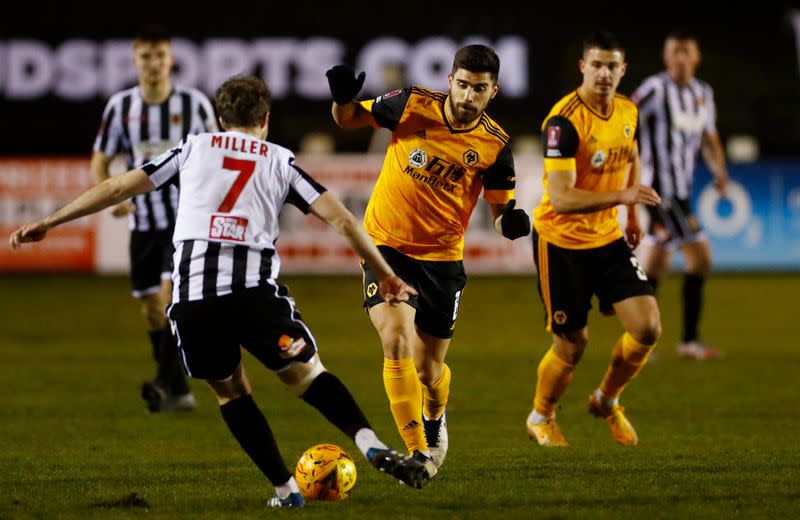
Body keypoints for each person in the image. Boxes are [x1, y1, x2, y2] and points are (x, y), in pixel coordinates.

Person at [10, 74, 431, 508]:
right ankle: (369, 443)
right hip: (253, 295)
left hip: (193, 301)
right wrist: (385, 273)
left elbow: (117, 186)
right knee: (305, 375)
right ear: (266, 119)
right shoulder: (279, 160)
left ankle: (286, 491)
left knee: (231, 391)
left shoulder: (193, 149)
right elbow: (343, 220)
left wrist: (51, 222)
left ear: (218, 118)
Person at [325, 44, 531, 475]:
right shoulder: (411, 105)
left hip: (441, 260)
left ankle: (436, 418)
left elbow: (498, 214)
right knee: (395, 337)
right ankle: (418, 451)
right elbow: (348, 120)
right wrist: (342, 98)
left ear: (493, 91)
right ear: (450, 79)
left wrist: (509, 222)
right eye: (462, 84)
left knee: (429, 368)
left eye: (479, 89)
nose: (468, 96)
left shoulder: (494, 147)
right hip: (384, 246)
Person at [525, 32, 663, 448]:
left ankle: (606, 399)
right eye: (596, 65)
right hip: (561, 242)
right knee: (573, 345)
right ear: (583, 67)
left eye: (612, 66)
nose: (604, 73)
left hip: (607, 237)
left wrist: (633, 213)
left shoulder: (627, 110)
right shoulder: (563, 121)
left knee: (647, 328)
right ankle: (541, 416)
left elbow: (631, 154)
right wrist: (622, 197)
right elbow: (563, 198)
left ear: (623, 70)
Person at [91, 25, 218, 412]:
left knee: (167, 299)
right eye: (146, 56)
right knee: (150, 307)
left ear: (171, 59)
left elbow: (215, 153)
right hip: (142, 224)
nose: (154, 63)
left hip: (184, 222)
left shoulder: (194, 104)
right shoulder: (120, 107)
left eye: (160, 55)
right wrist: (111, 194)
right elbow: (101, 159)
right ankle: (176, 388)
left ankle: (164, 384)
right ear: (135, 60)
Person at [632, 30, 729, 361]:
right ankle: (688, 341)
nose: (681, 57)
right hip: (660, 191)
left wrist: (720, 172)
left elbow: (709, 137)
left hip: (683, 189)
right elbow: (625, 119)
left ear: (697, 57)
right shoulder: (655, 89)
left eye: (687, 51)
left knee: (655, 264)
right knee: (700, 257)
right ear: (666, 57)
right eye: (675, 51)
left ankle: (640, 343)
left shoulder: (703, 93)